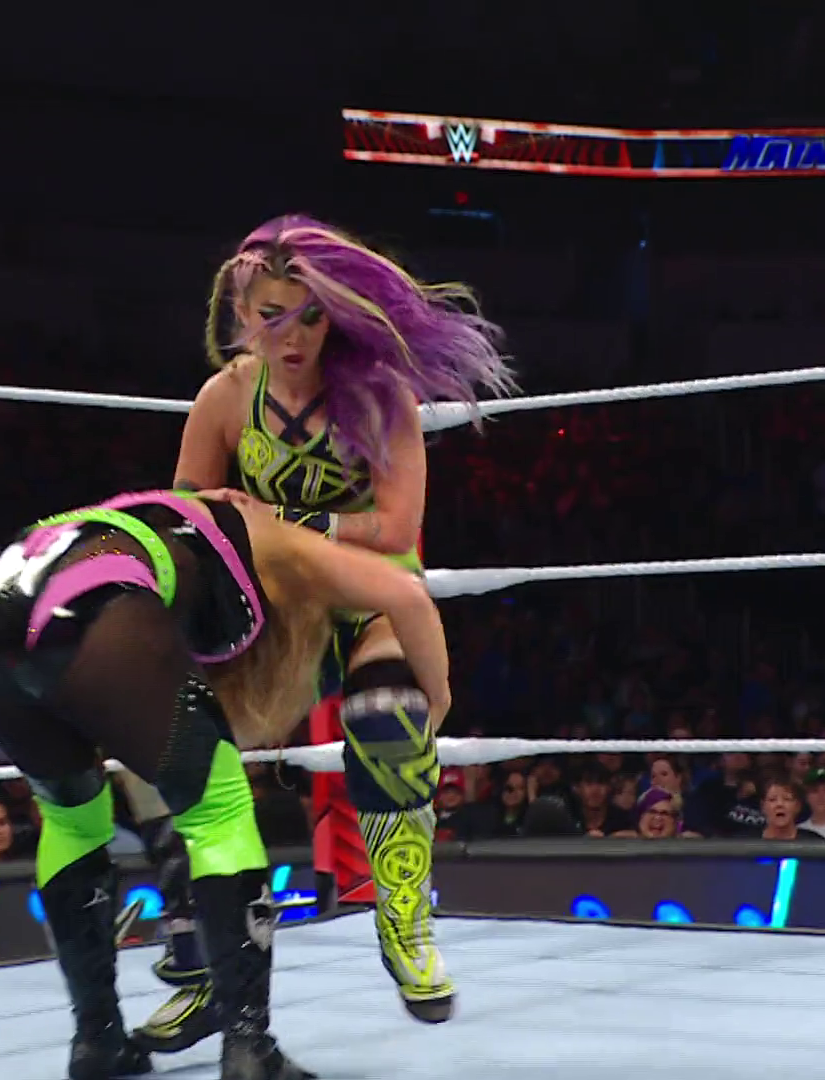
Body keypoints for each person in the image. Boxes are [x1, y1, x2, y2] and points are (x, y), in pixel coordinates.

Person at [0, 488, 449, 1080]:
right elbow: (404, 593)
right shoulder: (286, 544)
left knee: (71, 821)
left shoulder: (172, 521)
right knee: (219, 814)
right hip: (90, 608)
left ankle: (98, 1042)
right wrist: (438, 699)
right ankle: (249, 1048)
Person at [157, 214, 513, 1036]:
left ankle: (406, 924)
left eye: (310, 315)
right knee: (179, 734)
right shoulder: (224, 399)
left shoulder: (379, 397)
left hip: (371, 597)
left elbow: (395, 529)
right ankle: (205, 960)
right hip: (270, 607)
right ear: (241, 312)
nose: (293, 336)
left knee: (390, 715)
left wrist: (277, 521)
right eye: (272, 315)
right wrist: (228, 527)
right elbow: (186, 517)